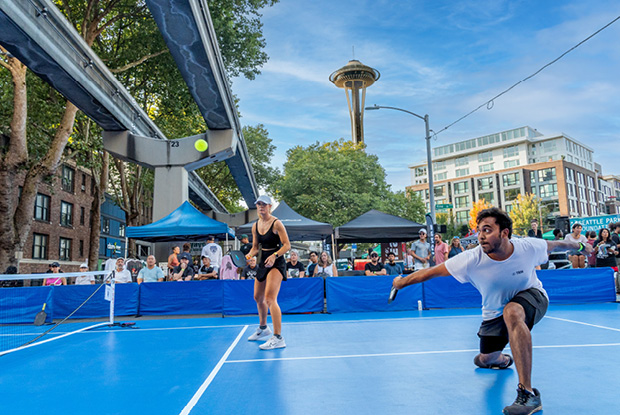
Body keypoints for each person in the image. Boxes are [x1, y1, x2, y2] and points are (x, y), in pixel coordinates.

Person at [392, 207, 593, 415]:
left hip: (533, 296)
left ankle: (528, 394)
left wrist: (580, 245)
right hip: (493, 312)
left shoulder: (528, 247)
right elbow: (430, 272)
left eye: (487, 230)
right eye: (479, 230)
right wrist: (400, 283)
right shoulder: (471, 259)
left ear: (504, 233)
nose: (480, 236)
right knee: (484, 359)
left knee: (512, 311)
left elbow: (560, 244)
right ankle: (499, 359)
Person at [245, 195, 291, 350]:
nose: (261, 206)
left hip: (277, 261)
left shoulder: (277, 224)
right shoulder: (255, 226)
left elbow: (287, 245)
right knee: (258, 297)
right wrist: (250, 255)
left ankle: (278, 338)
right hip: (263, 260)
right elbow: (256, 247)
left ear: (270, 206)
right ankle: (264, 328)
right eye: (258, 204)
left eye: (264, 204)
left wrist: (275, 255)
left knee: (270, 298)